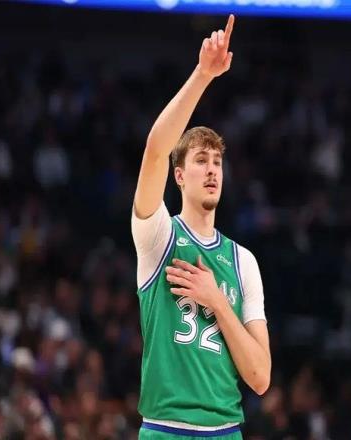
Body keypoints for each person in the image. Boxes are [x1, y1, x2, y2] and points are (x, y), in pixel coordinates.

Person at [131, 14, 271, 439]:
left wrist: (217, 301)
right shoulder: (158, 236)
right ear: (179, 175)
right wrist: (203, 74)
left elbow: (260, 378)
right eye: (200, 161)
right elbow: (156, 150)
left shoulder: (243, 261)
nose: (212, 170)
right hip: (164, 428)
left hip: (225, 431)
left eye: (217, 162)